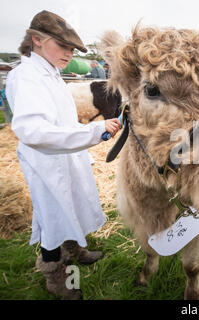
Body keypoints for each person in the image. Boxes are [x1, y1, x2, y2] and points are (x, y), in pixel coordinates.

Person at [6, 10, 121, 299]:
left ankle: (74, 248)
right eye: (63, 45)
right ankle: (55, 274)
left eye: (72, 49)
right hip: (46, 161)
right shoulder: (28, 76)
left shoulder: (51, 72)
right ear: (37, 40)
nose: (69, 53)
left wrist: (90, 134)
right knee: (52, 215)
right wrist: (93, 132)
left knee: (73, 200)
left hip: (66, 154)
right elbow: (34, 131)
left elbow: (61, 121)